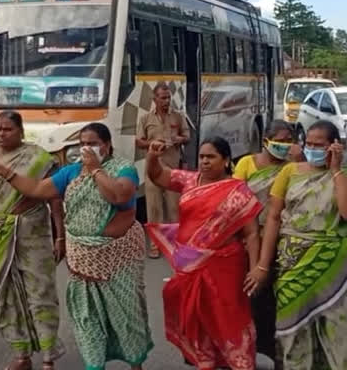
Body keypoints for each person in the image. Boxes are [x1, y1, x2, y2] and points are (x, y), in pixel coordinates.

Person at [0, 122, 152, 370]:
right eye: (82, 144)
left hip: (117, 261)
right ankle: (95, 365)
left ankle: (136, 365)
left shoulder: (124, 169)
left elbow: (119, 196)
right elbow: (37, 189)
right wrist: (7, 173)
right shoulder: (71, 172)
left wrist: (96, 171)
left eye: (93, 143)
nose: (86, 148)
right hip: (82, 262)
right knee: (88, 319)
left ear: (106, 146)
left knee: (126, 318)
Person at [0, 111, 66, 370]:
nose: (1, 134)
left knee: (40, 293)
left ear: (21, 130)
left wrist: (60, 235)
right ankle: (22, 355)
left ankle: (49, 357)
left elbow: (54, 198)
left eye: (7, 129)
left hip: (33, 235)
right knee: (7, 297)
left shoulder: (39, 158)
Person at [146, 136, 262, 370]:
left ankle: (239, 363)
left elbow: (251, 233)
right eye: (201, 157)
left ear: (226, 160)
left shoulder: (238, 192)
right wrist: (152, 156)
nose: (205, 162)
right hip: (190, 266)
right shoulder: (190, 181)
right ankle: (205, 362)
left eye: (211, 157)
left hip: (226, 266)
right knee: (197, 317)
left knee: (229, 318)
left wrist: (256, 268)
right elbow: (157, 176)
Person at [250, 120, 347, 369]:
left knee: (337, 333)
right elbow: (273, 217)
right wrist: (262, 265)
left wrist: (336, 170)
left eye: (320, 145)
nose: (313, 148)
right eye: (309, 144)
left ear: (334, 146)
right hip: (291, 263)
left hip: (333, 268)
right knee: (292, 335)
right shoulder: (290, 172)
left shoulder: (342, 176)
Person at [233, 120, 300, 367]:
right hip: (249, 240)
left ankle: (277, 354)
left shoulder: (294, 167)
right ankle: (245, 353)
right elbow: (235, 200)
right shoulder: (247, 164)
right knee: (250, 298)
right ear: (265, 141)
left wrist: (298, 158)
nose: (284, 146)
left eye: (288, 141)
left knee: (275, 302)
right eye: (279, 140)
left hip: (281, 240)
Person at [135, 82, 190, 258]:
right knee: (154, 208)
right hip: (153, 169)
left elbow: (187, 137)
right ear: (155, 99)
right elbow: (138, 141)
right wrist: (153, 144)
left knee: (174, 208)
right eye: (163, 98)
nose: (166, 101)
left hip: (172, 170)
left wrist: (178, 140)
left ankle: (175, 243)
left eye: (168, 98)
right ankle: (155, 245)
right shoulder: (145, 119)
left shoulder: (178, 117)